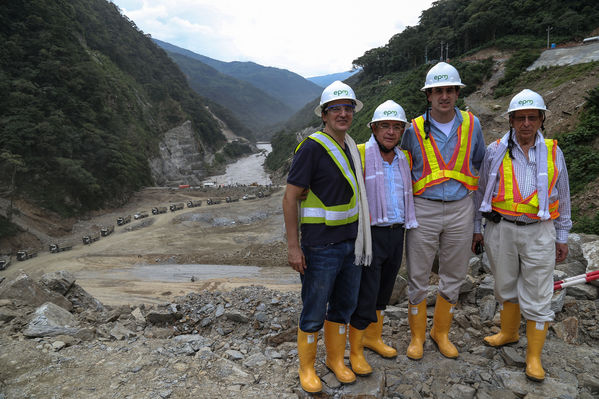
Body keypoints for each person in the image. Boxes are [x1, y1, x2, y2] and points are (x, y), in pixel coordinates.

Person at [472, 89, 572, 382]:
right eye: (519, 118)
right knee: (504, 285)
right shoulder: (495, 150)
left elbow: (563, 195)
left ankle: (534, 357)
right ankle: (508, 332)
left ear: (541, 120)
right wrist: (477, 229)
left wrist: (562, 234)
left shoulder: (554, 152)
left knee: (539, 292)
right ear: (511, 121)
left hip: (539, 231)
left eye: (532, 118)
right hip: (501, 228)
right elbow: (481, 192)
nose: (526, 124)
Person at [282, 80, 371, 393]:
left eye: (348, 108)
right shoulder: (311, 148)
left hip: (351, 243)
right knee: (314, 308)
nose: (343, 114)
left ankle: (335, 359)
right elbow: (290, 197)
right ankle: (306, 367)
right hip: (320, 247)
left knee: (343, 306)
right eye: (337, 109)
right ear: (324, 114)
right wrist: (294, 248)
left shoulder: (351, 146)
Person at [400, 62, 486, 360]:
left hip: (462, 207)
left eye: (449, 90)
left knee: (454, 273)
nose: (444, 96)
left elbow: (478, 166)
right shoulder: (412, 129)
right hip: (424, 207)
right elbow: (402, 166)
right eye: (438, 91)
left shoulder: (473, 125)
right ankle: (417, 336)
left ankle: (441, 332)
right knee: (418, 275)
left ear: (457, 92)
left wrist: (478, 221)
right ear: (429, 95)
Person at [348, 100, 419, 376]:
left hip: (396, 231)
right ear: (374, 128)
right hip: (369, 233)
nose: (391, 132)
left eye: (397, 127)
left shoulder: (403, 159)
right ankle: (355, 350)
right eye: (385, 126)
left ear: (402, 130)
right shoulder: (362, 154)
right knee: (365, 291)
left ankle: (373, 337)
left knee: (384, 290)